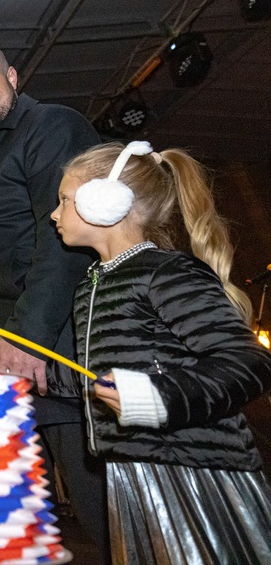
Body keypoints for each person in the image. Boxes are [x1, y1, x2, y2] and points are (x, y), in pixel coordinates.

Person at [52, 140, 271, 564]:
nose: (54, 214)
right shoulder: (92, 285)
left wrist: (159, 396)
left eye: (64, 200)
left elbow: (248, 362)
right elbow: (94, 378)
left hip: (194, 470)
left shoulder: (165, 272)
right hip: (130, 470)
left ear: (107, 202)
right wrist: (19, 374)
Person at [0, 42, 107, 550]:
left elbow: (65, 242)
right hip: (8, 363)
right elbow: (3, 255)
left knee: (103, 517)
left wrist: (28, 337)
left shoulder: (52, 126)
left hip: (55, 359)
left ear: (12, 76)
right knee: (30, 529)